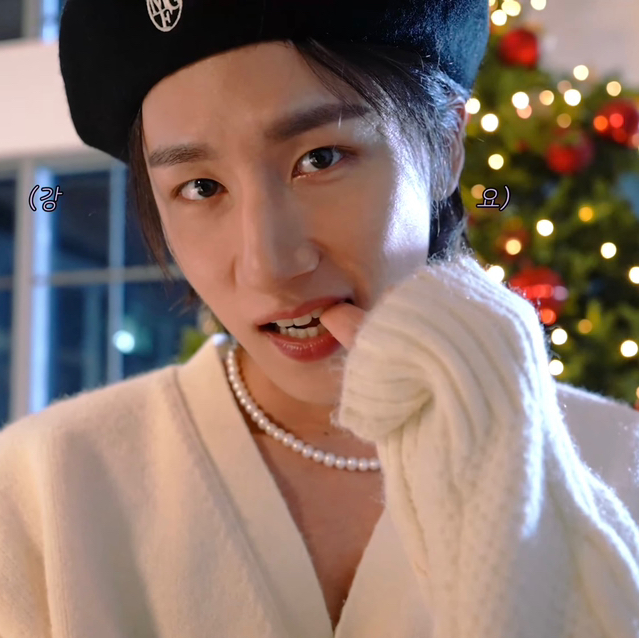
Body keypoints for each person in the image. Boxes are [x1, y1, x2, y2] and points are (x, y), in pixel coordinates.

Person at [1, 0, 639, 636]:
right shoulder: (43, 491)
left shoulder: (614, 463)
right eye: (201, 188)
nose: (269, 265)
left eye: (321, 158)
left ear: (446, 145)